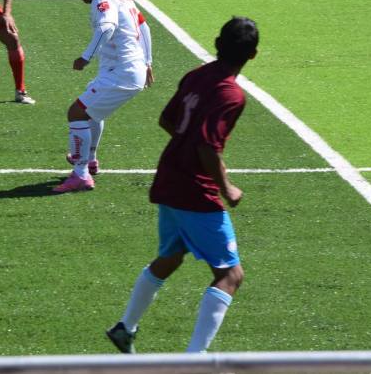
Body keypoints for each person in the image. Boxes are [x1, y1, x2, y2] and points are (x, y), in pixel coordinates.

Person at [106, 17, 259, 355]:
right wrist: (227, 188)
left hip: (169, 178)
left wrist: (187, 146)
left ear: (217, 44)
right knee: (230, 275)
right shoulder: (231, 94)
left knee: (171, 256)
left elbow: (167, 119)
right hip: (195, 191)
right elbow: (207, 147)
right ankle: (195, 360)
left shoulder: (197, 75)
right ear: (253, 54)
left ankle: (125, 328)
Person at [55, 0, 153, 193]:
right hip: (128, 70)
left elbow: (107, 27)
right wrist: (148, 61)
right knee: (91, 113)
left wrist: (85, 57)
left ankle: (81, 174)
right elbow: (144, 26)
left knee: (76, 112)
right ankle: (90, 161)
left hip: (122, 72)